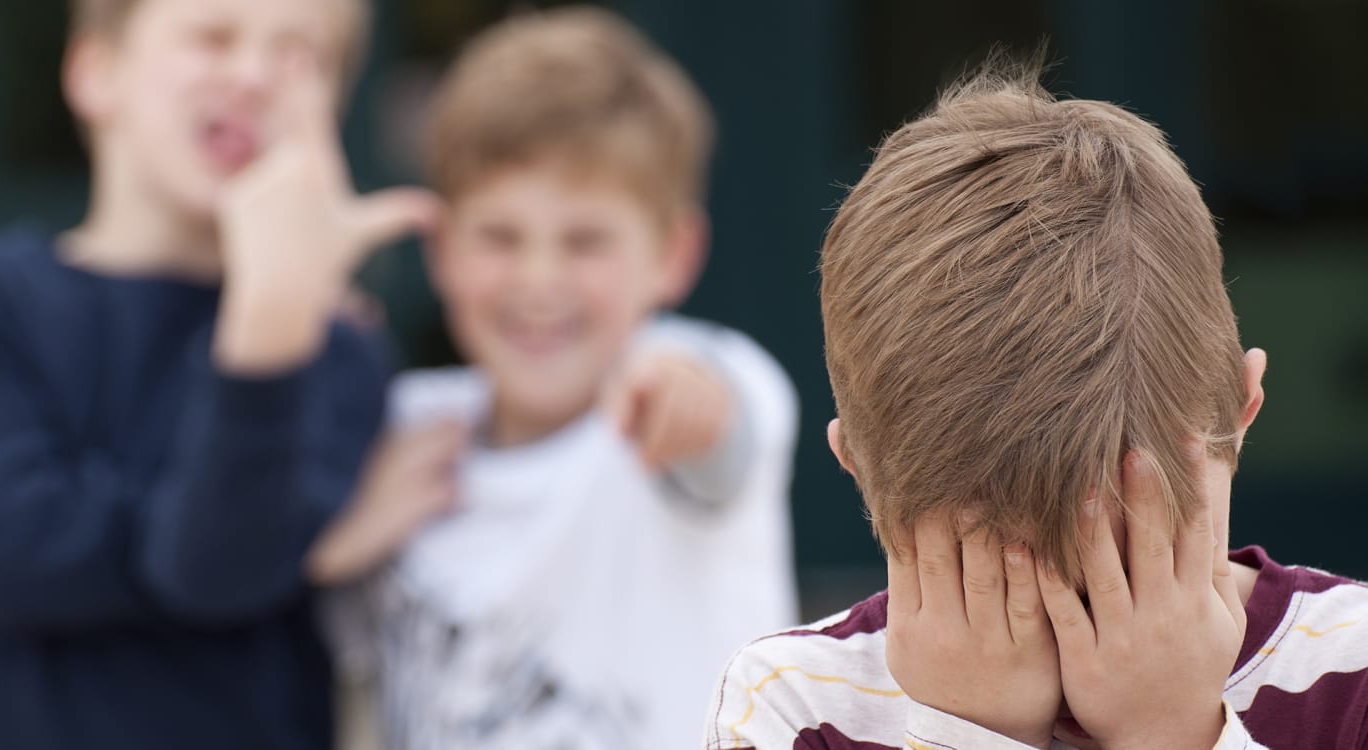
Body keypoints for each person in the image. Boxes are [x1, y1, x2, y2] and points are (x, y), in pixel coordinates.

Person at [705, 65, 1368, 750]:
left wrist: (1170, 734)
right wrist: (970, 733)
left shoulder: (1354, 672)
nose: (1086, 629)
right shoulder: (793, 702)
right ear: (859, 467)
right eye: (1002, 567)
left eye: (1127, 560)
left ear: (1241, 411)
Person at [0, 0, 438, 747]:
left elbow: (217, 564)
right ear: (95, 72)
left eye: (302, 54)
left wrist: (270, 316)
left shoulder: (333, 354)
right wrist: (301, 552)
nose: (253, 75)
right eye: (213, 35)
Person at [321, 9, 800, 749]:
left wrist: (687, 402)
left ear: (674, 254)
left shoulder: (696, 370)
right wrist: (334, 543)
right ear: (442, 249)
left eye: (585, 241)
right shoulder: (406, 431)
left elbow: (724, 433)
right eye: (500, 237)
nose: (539, 280)